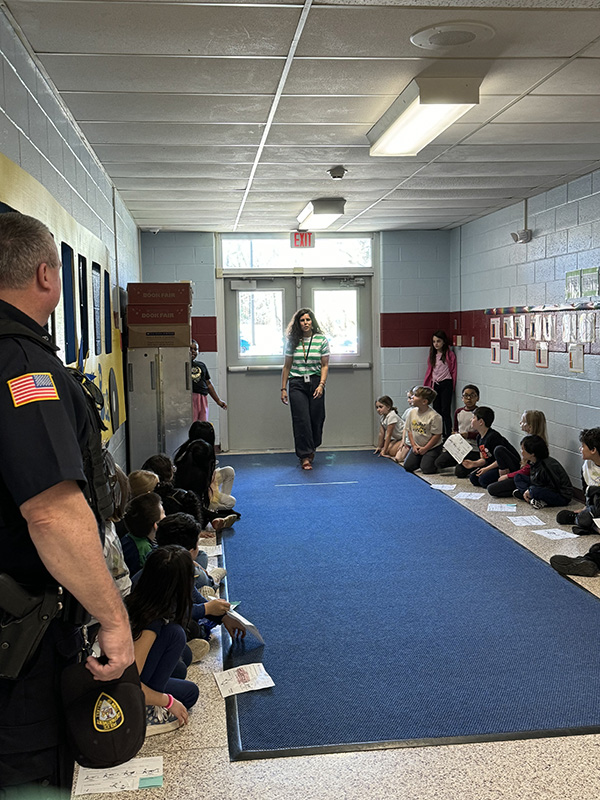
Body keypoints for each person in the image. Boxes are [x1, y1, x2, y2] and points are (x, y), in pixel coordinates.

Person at [0, 212, 134, 790]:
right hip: (17, 642)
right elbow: (51, 510)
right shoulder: (24, 367)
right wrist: (113, 618)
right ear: (47, 275)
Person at [125, 546, 200, 736]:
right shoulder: (150, 624)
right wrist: (167, 701)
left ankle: (150, 702)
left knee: (186, 682)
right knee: (176, 636)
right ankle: (146, 713)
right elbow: (128, 683)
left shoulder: (143, 601)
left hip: (130, 680)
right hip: (124, 693)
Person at [281, 308, 330, 470]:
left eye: (308, 320)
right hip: (297, 383)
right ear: (298, 323)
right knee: (301, 419)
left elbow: (325, 365)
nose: (305, 323)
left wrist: (321, 384)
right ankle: (305, 456)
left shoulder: (321, 340)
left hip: (316, 381)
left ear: (312, 322)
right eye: (302, 320)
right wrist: (283, 388)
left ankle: (312, 446)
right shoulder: (292, 341)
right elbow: (287, 366)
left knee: (317, 418)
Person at [487, 410, 548, 498]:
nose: (520, 423)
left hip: (527, 477)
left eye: (523, 421)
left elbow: (528, 470)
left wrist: (507, 476)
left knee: (492, 489)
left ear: (530, 426)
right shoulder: (528, 439)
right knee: (499, 450)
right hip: (521, 470)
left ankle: (521, 491)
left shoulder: (536, 444)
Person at [464, 407, 521, 488]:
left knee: (483, 480)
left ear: (481, 422)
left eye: (473, 418)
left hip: (506, 465)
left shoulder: (493, 437)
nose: (471, 420)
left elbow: (500, 458)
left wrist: (486, 469)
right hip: (492, 464)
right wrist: (474, 463)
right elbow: (484, 459)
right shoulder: (479, 437)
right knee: (473, 478)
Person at [511, 435, 572, 510]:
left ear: (532, 453)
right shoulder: (533, 462)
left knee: (534, 491)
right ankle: (529, 497)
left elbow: (554, 488)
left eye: (523, 449)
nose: (521, 452)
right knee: (518, 477)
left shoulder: (547, 466)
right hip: (541, 487)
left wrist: (531, 489)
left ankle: (532, 496)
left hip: (560, 496)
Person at [434, 384, 480, 475]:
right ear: (462, 398)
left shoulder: (479, 412)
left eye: (472, 395)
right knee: (438, 463)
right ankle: (459, 460)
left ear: (477, 398)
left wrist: (468, 434)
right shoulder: (458, 412)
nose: (469, 398)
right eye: (466, 396)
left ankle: (474, 464)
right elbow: (455, 428)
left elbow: (482, 433)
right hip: (460, 446)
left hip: (473, 448)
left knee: (460, 473)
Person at [120, 492, 165, 576]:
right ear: (156, 525)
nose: (165, 516)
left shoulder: (129, 537)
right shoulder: (145, 551)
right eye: (163, 513)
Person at [423, 330, 456, 440]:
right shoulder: (432, 355)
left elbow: (453, 370)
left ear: (443, 342)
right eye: (434, 341)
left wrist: (453, 385)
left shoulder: (449, 355)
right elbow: (430, 371)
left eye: (438, 341)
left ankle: (448, 434)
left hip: (446, 383)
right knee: (436, 410)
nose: (436, 344)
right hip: (435, 384)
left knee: (445, 410)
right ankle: (438, 434)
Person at [403, 386, 443, 475]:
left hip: (432, 447)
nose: (412, 397)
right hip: (417, 445)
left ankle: (436, 458)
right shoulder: (411, 412)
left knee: (427, 469)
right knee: (408, 466)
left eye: (415, 396)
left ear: (424, 401)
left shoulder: (435, 416)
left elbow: (436, 435)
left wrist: (425, 448)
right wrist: (413, 445)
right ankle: (423, 458)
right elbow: (409, 430)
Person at [190, 339, 227, 421]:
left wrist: (218, 400)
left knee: (203, 421)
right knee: (192, 422)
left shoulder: (201, 365)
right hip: (191, 398)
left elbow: (208, 384)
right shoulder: (183, 365)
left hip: (202, 398)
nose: (193, 351)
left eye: (195, 349)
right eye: (190, 349)